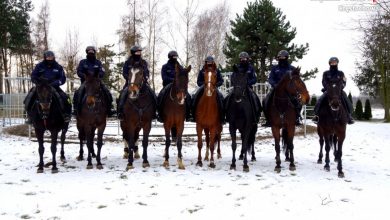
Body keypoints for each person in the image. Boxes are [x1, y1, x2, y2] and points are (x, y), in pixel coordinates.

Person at [24, 51, 71, 123]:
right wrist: (37, 81)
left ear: (53, 57)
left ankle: (65, 114)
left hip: (54, 86)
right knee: (30, 96)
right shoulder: (39, 66)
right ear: (45, 57)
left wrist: (56, 83)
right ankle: (29, 115)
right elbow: (33, 76)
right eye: (48, 57)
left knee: (65, 97)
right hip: (40, 86)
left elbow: (62, 78)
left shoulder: (58, 67)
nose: (49, 58)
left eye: (51, 57)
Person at [262, 50, 302, 127]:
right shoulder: (274, 68)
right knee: (265, 100)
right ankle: (268, 120)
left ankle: (296, 118)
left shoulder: (292, 68)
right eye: (280, 57)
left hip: (289, 90)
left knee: (297, 102)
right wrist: (274, 85)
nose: (281, 58)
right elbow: (270, 78)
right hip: (276, 89)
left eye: (283, 57)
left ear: (286, 58)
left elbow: (296, 79)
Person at [117, 45, 157, 120]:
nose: (139, 53)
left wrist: (146, 77)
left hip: (142, 84)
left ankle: (155, 112)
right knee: (122, 95)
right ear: (133, 53)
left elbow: (147, 72)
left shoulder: (144, 62)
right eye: (137, 52)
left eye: (140, 52)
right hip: (130, 83)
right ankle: (120, 112)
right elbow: (124, 72)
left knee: (153, 94)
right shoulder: (127, 63)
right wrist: (129, 79)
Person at [73, 46, 114, 116]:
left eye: (92, 52)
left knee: (107, 92)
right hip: (86, 82)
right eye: (89, 52)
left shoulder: (98, 62)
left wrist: (97, 76)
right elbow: (79, 71)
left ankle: (109, 109)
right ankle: (76, 109)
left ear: (94, 53)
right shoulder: (82, 62)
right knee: (78, 93)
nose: (91, 53)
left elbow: (102, 72)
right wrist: (85, 76)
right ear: (87, 52)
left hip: (97, 82)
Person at [312, 57, 355, 124]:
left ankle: (349, 116)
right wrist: (329, 88)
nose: (333, 63)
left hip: (338, 91)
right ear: (330, 63)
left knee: (345, 98)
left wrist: (340, 87)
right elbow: (324, 82)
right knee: (321, 99)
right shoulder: (326, 73)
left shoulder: (341, 73)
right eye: (332, 62)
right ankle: (316, 115)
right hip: (329, 90)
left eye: (335, 62)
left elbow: (344, 82)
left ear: (337, 63)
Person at [225, 52, 261, 123]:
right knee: (228, 97)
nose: (243, 60)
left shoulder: (251, 68)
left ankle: (257, 114)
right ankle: (226, 114)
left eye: (244, 58)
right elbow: (232, 77)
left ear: (247, 59)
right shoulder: (237, 68)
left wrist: (247, 83)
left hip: (248, 87)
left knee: (255, 97)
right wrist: (235, 84)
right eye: (241, 58)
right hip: (238, 88)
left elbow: (254, 79)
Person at [156, 50, 192, 122]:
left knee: (188, 96)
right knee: (161, 95)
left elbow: (183, 77)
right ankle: (159, 113)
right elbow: (164, 77)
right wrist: (174, 80)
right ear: (170, 57)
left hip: (179, 86)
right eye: (173, 57)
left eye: (176, 57)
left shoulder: (181, 67)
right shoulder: (165, 67)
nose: (175, 58)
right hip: (168, 85)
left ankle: (188, 114)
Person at [191, 56, 224, 123]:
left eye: (210, 62)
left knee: (221, 97)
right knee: (195, 96)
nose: (209, 63)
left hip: (214, 87)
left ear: (213, 62)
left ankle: (222, 116)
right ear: (206, 63)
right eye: (208, 62)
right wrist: (205, 84)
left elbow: (221, 80)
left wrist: (215, 85)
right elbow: (198, 81)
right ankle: (193, 115)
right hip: (204, 87)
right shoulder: (202, 71)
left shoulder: (216, 71)